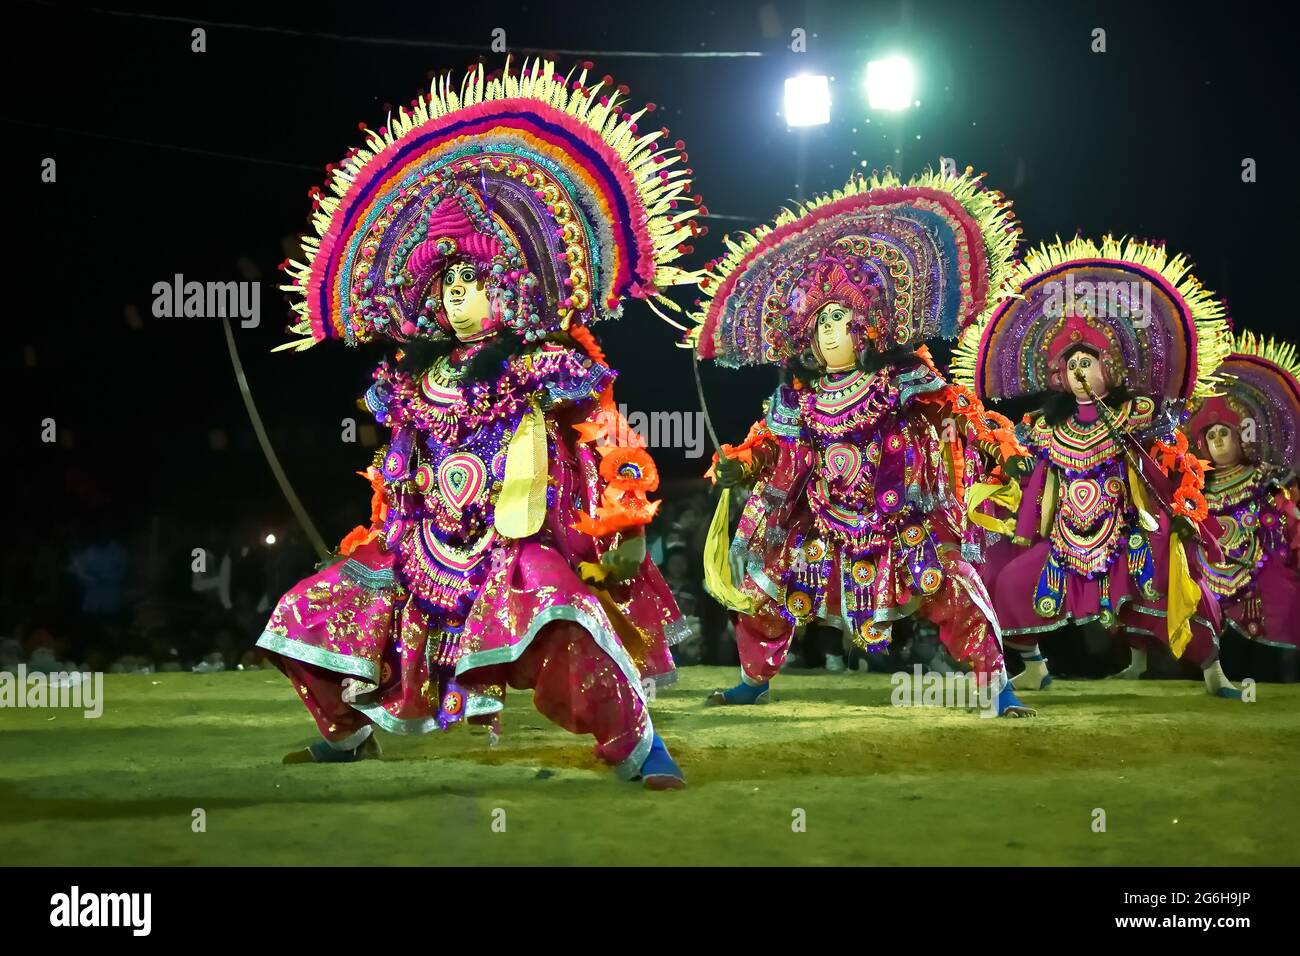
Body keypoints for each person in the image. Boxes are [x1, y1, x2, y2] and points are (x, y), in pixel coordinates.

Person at [255, 58, 699, 787]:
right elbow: (398, 469)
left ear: (513, 283)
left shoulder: (548, 365)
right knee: (304, 614)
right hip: (420, 549)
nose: (460, 300)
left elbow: (613, 440)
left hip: (514, 545)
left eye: (475, 284)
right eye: (449, 286)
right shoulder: (411, 380)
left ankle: (639, 745)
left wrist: (627, 519)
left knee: (564, 624)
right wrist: (381, 530)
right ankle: (346, 731)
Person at [688, 167, 1035, 717]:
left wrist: (1006, 453)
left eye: (841, 318)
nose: (829, 332)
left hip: (901, 516)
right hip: (823, 518)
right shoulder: (799, 399)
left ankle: (1000, 687)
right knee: (767, 591)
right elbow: (769, 447)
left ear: (867, 325)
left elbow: (964, 415)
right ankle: (753, 679)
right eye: (821, 322)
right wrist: (739, 466)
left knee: (952, 590)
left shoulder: (902, 379)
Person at [951, 235, 1240, 698]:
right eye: (1070, 365)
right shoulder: (1046, 426)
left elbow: (1161, 464)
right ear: (1058, 376)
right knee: (1008, 581)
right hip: (1065, 536)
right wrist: (1024, 528)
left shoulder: (1136, 413)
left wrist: (1180, 510)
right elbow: (1043, 478)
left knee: (1171, 575)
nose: (1078, 371)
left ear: (1110, 368)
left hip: (1126, 530)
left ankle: (1214, 673)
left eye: (1087, 362)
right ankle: (1033, 666)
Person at [1187, 331, 1300, 658]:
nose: (1219, 441)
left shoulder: (1266, 477)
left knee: (1279, 581)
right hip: (1208, 567)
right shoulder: (1195, 487)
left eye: (1225, 433)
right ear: (1202, 444)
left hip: (1261, 562)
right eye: (1212, 436)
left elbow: (1284, 520)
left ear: (1241, 438)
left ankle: (1281, 665)